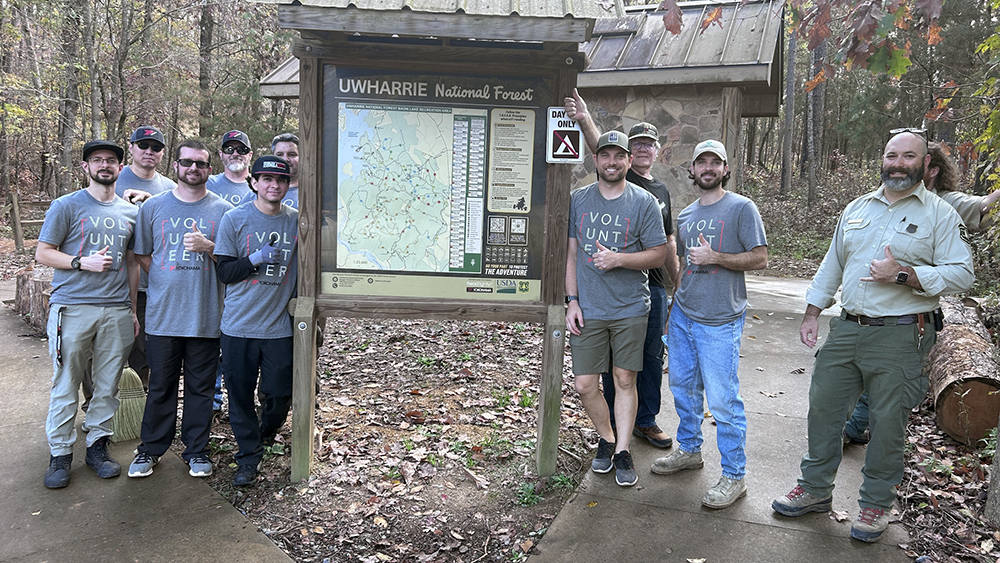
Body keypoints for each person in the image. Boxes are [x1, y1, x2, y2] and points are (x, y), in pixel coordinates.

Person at [772, 129, 974, 543]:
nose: (898, 163)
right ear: (882, 159)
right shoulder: (857, 208)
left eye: (907, 156)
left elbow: (962, 273)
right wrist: (813, 311)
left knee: (887, 424)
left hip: (902, 335)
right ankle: (813, 490)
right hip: (847, 327)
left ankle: (875, 503)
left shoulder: (940, 214)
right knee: (823, 411)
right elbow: (833, 262)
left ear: (924, 165)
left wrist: (905, 275)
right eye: (891, 155)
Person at [843, 140, 999, 444]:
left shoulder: (945, 202)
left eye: (915, 158)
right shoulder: (887, 200)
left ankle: (853, 430)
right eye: (898, 156)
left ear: (932, 168)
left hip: (910, 313)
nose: (903, 165)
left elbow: (983, 206)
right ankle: (856, 426)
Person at [649, 140, 768, 510]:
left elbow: (761, 258)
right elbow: (684, 269)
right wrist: (672, 309)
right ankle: (690, 451)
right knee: (683, 388)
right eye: (702, 162)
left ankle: (735, 475)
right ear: (693, 170)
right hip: (684, 315)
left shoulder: (741, 209)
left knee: (722, 400)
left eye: (716, 162)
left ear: (725, 170)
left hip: (720, 320)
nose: (708, 168)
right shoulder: (685, 217)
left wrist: (716, 255)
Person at [564, 89, 679, 449]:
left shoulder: (658, 190)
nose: (643, 150)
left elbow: (668, 243)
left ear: (654, 152)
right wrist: (584, 119)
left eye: (649, 145)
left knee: (645, 359)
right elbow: (605, 152)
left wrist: (678, 286)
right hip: (607, 296)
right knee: (614, 370)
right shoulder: (612, 179)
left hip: (650, 290)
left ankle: (644, 421)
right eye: (638, 144)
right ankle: (614, 431)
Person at [36, 140, 139, 488]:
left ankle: (97, 447)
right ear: (85, 167)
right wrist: (82, 262)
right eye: (97, 160)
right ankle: (61, 455)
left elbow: (131, 263)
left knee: (108, 384)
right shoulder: (65, 206)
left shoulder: (130, 212)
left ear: (120, 169)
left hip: (116, 310)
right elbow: (43, 253)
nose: (105, 165)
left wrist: (133, 309)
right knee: (66, 383)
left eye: (111, 160)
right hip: (73, 307)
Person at [128, 139, 234, 479]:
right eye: (187, 162)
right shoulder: (153, 207)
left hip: (205, 315)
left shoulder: (222, 211)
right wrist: (162, 277)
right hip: (162, 315)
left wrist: (209, 246)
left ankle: (196, 451)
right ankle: (150, 450)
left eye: (200, 164)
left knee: (201, 388)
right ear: (175, 166)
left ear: (209, 169)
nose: (193, 169)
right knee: (161, 386)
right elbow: (143, 254)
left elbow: (231, 264)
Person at [215, 155, 298, 487]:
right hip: (238, 326)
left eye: (280, 180)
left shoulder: (296, 221)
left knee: (279, 393)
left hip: (279, 327)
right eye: (266, 179)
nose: (273, 185)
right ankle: (248, 457)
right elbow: (224, 272)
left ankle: (266, 432)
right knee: (239, 394)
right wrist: (254, 258)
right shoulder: (234, 220)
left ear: (287, 184)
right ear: (254, 183)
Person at [207, 129, 254, 410]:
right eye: (229, 149)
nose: (235, 154)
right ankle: (213, 402)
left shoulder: (260, 185)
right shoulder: (209, 183)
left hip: (247, 279)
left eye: (241, 149)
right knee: (212, 340)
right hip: (210, 277)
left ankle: (242, 402)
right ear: (221, 154)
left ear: (250, 155)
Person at [271, 133, 300, 209]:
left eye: (291, 154)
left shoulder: (313, 190)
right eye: (279, 155)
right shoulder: (258, 191)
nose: (285, 159)